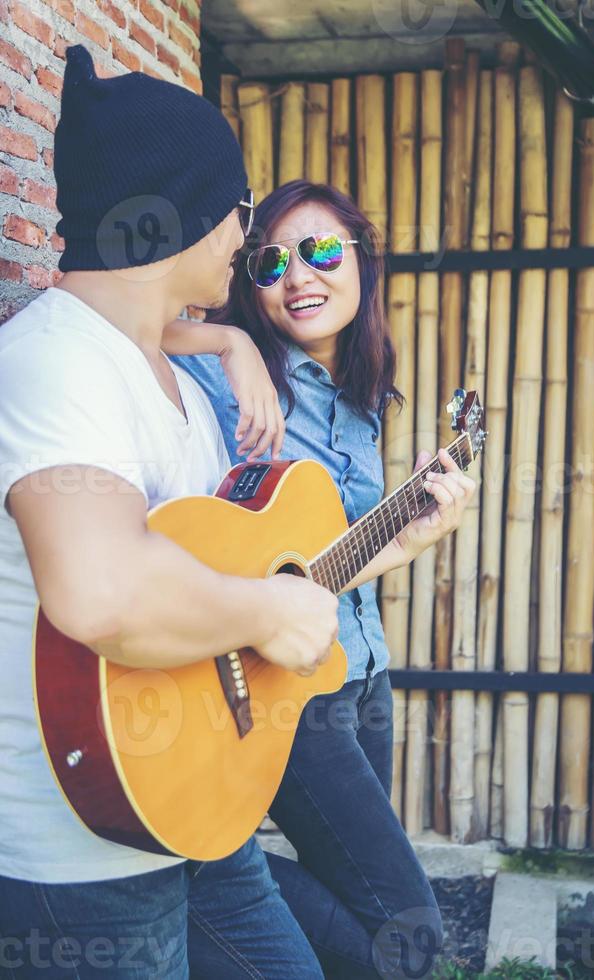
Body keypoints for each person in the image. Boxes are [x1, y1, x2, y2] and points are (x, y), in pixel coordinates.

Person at [0, 48, 340, 979]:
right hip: (81, 862)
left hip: (187, 812)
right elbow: (105, 593)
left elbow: (204, 571)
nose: (245, 233)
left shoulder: (164, 369)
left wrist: (223, 334)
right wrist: (276, 613)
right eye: (237, 210)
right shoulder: (59, 362)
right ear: (179, 211)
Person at [165, 179, 477, 979]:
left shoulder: (362, 396)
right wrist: (228, 344)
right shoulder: (232, 378)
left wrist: (409, 533)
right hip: (285, 691)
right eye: (270, 263)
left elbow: (328, 558)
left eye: (323, 251)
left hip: (364, 675)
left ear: (361, 265)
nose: (299, 275)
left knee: (370, 928)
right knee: (410, 937)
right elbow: (130, 325)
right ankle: (181, 873)